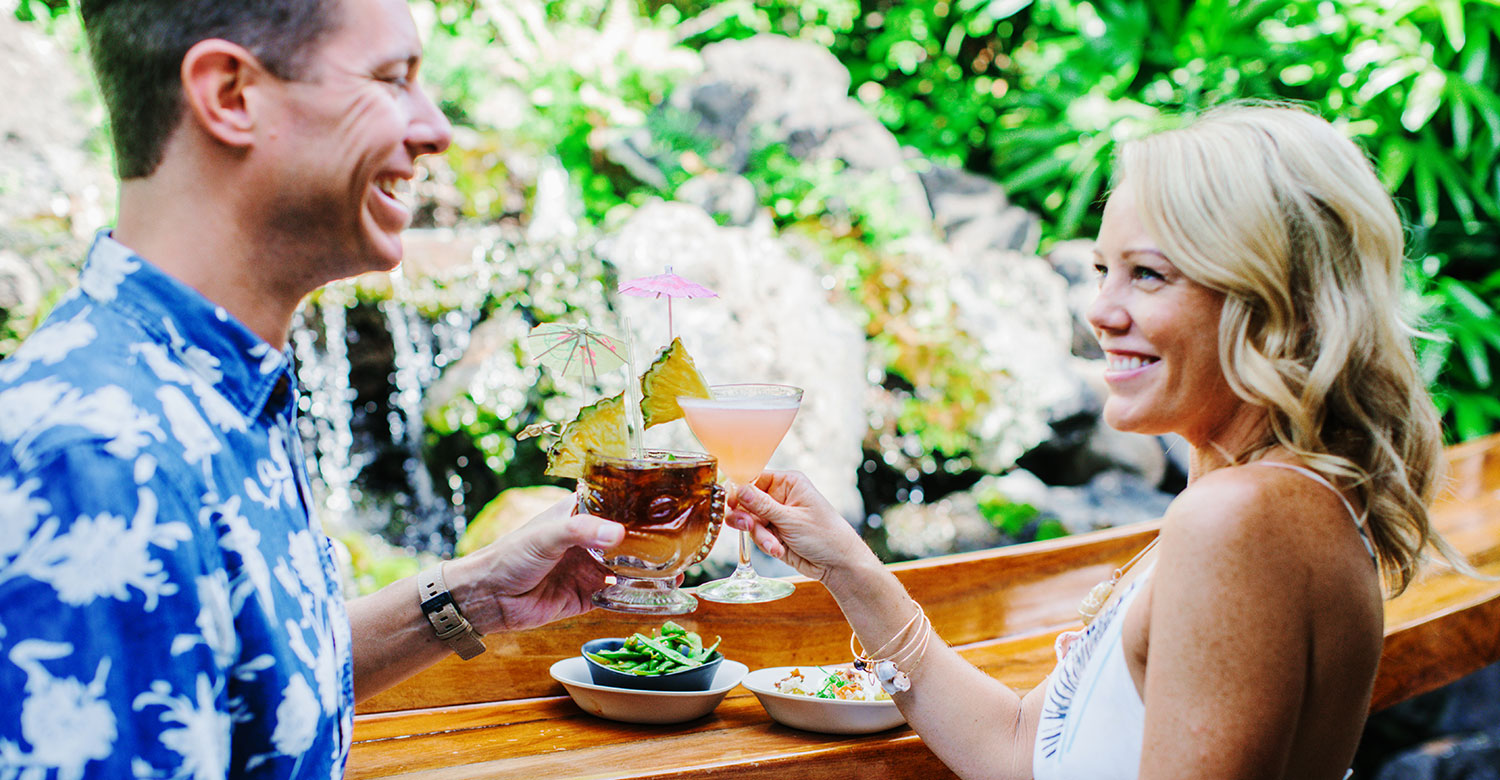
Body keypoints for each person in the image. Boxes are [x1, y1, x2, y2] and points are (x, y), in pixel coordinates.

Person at [728, 103, 1462, 780]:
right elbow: (1017, 745)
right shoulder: (1262, 501)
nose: (1101, 311)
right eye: (1103, 271)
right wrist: (850, 567)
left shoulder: (1241, 520)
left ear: (1270, 302)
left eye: (1148, 275)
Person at [0, 0, 624, 777]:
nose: (436, 129)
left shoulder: (215, 387)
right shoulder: (98, 462)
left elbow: (252, 696)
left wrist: (472, 596)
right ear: (231, 95)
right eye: (392, 79)